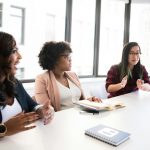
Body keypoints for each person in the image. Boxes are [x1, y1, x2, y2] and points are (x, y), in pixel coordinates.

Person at [0, 31, 54, 138]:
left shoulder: (14, 82)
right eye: (14, 51)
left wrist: (41, 110)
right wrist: (5, 129)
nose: (19, 56)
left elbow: (32, 105)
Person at [34, 41, 101, 111]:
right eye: (65, 56)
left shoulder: (73, 75)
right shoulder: (41, 79)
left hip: (81, 116)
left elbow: (78, 101)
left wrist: (89, 101)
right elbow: (46, 110)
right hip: (60, 120)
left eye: (69, 56)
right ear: (54, 59)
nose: (70, 59)